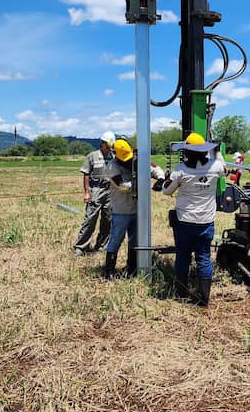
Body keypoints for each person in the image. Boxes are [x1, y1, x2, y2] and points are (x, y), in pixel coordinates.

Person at [162, 132, 226, 306]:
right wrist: (218, 150)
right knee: (204, 257)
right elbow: (223, 167)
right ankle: (203, 298)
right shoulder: (215, 167)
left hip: (185, 222)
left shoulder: (181, 170)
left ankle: (181, 294)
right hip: (206, 222)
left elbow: (166, 191)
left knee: (183, 257)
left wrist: (166, 180)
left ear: (188, 152)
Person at [102, 139, 165, 279]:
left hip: (137, 211)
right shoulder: (112, 167)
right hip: (121, 210)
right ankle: (109, 271)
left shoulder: (137, 160)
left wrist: (160, 179)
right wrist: (142, 182)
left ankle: (131, 268)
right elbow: (123, 187)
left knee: (135, 240)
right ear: (116, 154)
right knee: (115, 240)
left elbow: (155, 168)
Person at [73, 131, 115, 257]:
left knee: (108, 220)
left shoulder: (113, 157)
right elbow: (86, 174)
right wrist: (87, 192)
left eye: (110, 146)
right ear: (101, 144)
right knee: (90, 219)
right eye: (107, 145)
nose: (109, 148)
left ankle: (101, 245)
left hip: (110, 191)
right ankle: (81, 247)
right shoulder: (92, 156)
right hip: (96, 190)